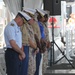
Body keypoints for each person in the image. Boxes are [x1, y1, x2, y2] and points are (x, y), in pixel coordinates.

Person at [20, 10, 39, 75]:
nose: (34, 21)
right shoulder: (24, 26)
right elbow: (28, 40)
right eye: (33, 19)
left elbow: (34, 38)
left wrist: (36, 47)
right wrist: (36, 47)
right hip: (27, 49)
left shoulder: (30, 26)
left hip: (32, 51)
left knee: (32, 69)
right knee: (27, 70)